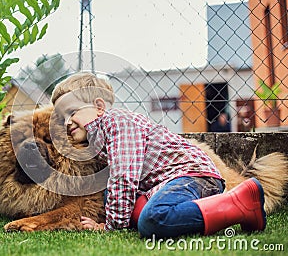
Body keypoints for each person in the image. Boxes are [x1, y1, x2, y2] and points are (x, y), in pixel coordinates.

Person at [51, 72, 266, 238]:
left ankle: (239, 203)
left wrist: (110, 226)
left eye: (72, 112)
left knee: (153, 220)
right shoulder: (98, 139)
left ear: (99, 107)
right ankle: (208, 208)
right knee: (112, 196)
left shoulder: (116, 123)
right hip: (166, 184)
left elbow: (123, 177)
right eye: (61, 117)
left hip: (192, 177)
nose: (66, 121)